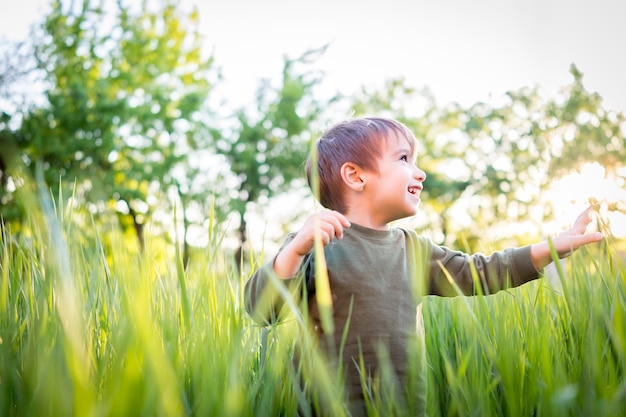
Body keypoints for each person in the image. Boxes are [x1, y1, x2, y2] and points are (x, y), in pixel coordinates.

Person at [244, 117, 603, 416]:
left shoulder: (414, 250)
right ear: (355, 176)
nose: (420, 174)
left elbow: (480, 272)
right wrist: (293, 252)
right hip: (325, 407)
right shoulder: (314, 244)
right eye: (404, 159)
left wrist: (555, 246)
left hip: (404, 407)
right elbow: (262, 311)